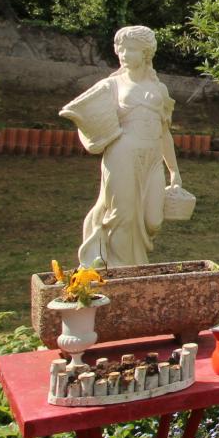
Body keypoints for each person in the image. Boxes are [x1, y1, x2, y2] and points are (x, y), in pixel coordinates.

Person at [62, 25, 184, 268]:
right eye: (121, 49)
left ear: (146, 53)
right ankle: (120, 271)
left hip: (151, 159)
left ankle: (127, 265)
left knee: (153, 220)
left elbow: (164, 133)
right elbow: (82, 110)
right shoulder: (112, 86)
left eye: (131, 50)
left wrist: (174, 170)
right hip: (122, 155)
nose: (124, 55)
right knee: (123, 216)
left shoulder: (159, 89)